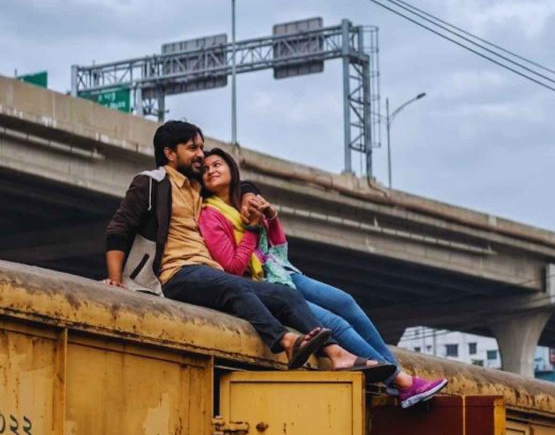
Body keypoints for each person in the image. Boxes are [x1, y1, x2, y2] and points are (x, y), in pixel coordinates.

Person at [104, 120, 395, 378]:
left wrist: (250, 196)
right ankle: (286, 342)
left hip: (209, 274)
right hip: (175, 274)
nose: (201, 155)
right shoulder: (151, 183)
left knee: (286, 295)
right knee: (236, 288)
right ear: (170, 153)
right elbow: (120, 229)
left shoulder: (197, 188)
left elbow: (238, 183)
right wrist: (116, 279)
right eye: (192, 148)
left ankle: (337, 355)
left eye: (202, 148)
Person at [198, 147, 448, 408]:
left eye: (217, 164)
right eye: (205, 170)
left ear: (230, 168)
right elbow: (233, 268)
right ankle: (403, 382)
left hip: (281, 271)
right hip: (264, 284)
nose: (211, 170)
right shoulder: (211, 214)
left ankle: (397, 377)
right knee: (334, 323)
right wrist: (250, 229)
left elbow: (277, 246)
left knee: (345, 301)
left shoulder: (243, 199)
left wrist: (270, 217)